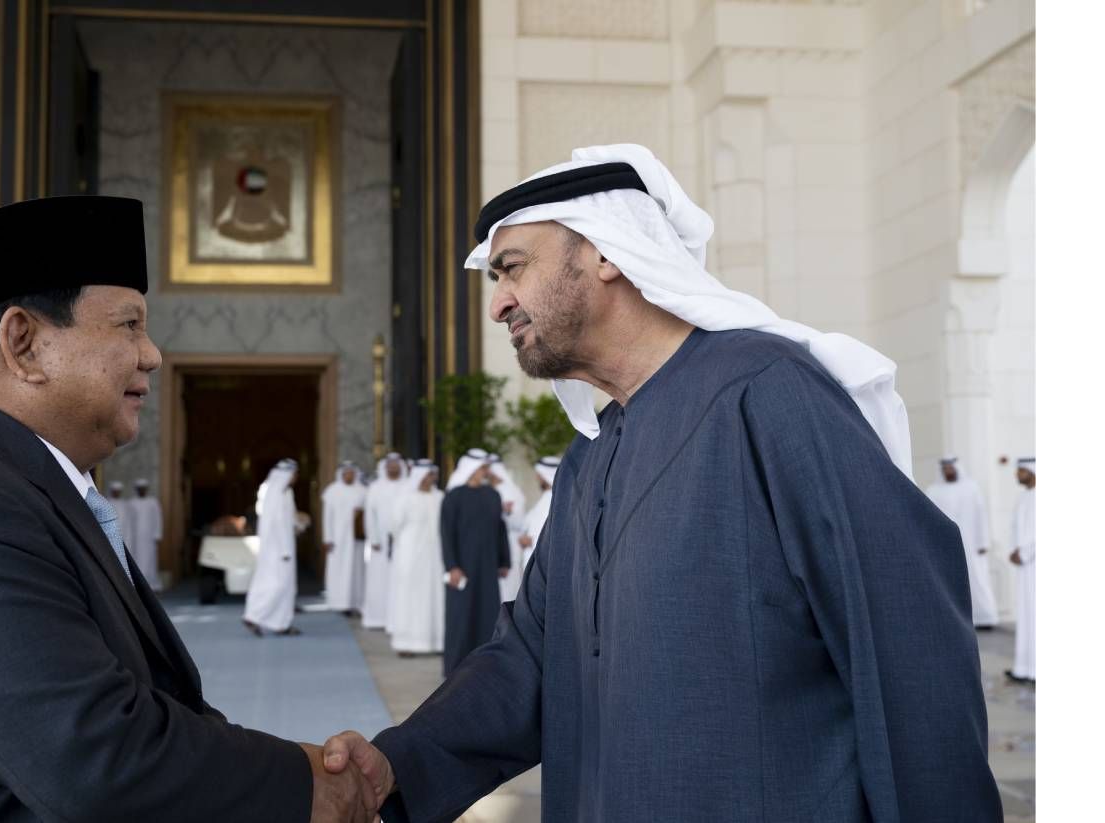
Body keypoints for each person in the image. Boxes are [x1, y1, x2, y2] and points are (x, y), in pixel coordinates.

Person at [320, 145, 998, 822]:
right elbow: (530, 659)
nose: (498, 304)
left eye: (513, 268)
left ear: (605, 253)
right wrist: (396, 766)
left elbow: (907, 655)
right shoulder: (588, 457)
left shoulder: (768, 392)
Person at [0, 196, 381, 822]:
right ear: (23, 344)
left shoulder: (16, 483)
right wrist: (311, 786)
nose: (152, 354)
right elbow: (95, 757)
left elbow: (150, 706)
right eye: (128, 325)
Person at [439, 454, 511, 675]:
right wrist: (452, 566)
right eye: (482, 468)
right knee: (460, 617)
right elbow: (446, 534)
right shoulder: (453, 497)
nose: (486, 472)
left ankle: (483, 668)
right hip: (462, 569)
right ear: (471, 469)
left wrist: (504, 560)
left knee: (487, 615)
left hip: (488, 566)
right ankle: (455, 669)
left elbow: (500, 529)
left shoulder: (493, 495)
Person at [925, 455, 999, 628]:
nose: (948, 471)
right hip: (946, 545)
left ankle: (985, 617)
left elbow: (981, 514)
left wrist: (983, 542)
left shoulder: (972, 488)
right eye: (945, 468)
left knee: (978, 580)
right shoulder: (933, 491)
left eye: (950, 467)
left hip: (972, 544)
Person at [387, 461, 445, 657]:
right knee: (408, 597)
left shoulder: (439, 497)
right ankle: (406, 643)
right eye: (428, 475)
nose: (431, 479)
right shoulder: (405, 498)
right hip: (410, 555)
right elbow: (393, 526)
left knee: (434, 596)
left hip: (435, 556)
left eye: (433, 475)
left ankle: (435, 642)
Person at [245, 459, 304, 637]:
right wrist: (284, 549)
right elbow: (274, 524)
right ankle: (253, 616)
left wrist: (299, 525)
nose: (295, 477)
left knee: (287, 587)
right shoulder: (273, 492)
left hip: (286, 547)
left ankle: (281, 624)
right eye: (293, 474)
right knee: (275, 585)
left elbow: (289, 518)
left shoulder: (286, 492)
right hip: (276, 549)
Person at [502, 456, 559, 603]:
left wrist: (531, 541)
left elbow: (555, 533)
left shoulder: (554, 498)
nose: (537, 478)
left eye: (539, 475)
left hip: (543, 566)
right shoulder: (545, 498)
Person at [361, 454, 407, 630]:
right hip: (380, 542)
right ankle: (377, 618)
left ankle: (397, 619)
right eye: (390, 465)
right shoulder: (375, 487)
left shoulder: (407, 486)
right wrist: (373, 538)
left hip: (402, 543)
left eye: (396, 464)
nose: (393, 467)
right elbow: (369, 515)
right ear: (385, 467)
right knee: (378, 580)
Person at [320, 461, 368, 616]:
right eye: (346, 473)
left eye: (352, 473)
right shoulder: (332, 491)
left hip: (356, 539)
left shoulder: (362, 491)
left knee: (357, 571)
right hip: (338, 539)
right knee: (339, 571)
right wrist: (327, 538)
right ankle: (340, 603)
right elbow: (327, 517)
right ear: (341, 474)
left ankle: (357, 603)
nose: (349, 475)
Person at [1008, 457, 1037, 684]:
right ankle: (1025, 668)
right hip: (1025, 568)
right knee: (1027, 617)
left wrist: (1025, 553)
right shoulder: (1024, 497)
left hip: (1035, 565)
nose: (1017, 475)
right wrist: (1014, 551)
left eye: (1021, 471)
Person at [124, 478, 164, 592]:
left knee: (150, 560)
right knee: (136, 559)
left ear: (146, 489)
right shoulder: (131, 502)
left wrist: (157, 534)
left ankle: (152, 584)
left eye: (143, 488)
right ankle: (137, 585)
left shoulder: (153, 502)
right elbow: (128, 521)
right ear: (137, 489)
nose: (142, 490)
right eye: (140, 489)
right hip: (135, 537)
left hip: (149, 537)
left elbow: (158, 518)